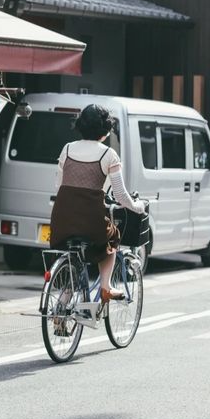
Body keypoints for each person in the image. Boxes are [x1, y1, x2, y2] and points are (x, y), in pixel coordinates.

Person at [50, 103, 146, 303]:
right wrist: (137, 207)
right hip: (91, 222)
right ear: (105, 130)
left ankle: (63, 303)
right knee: (112, 238)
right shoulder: (108, 154)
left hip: (62, 220)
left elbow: (59, 187)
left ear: (81, 126)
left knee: (73, 257)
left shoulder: (66, 149)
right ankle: (106, 286)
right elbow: (119, 194)